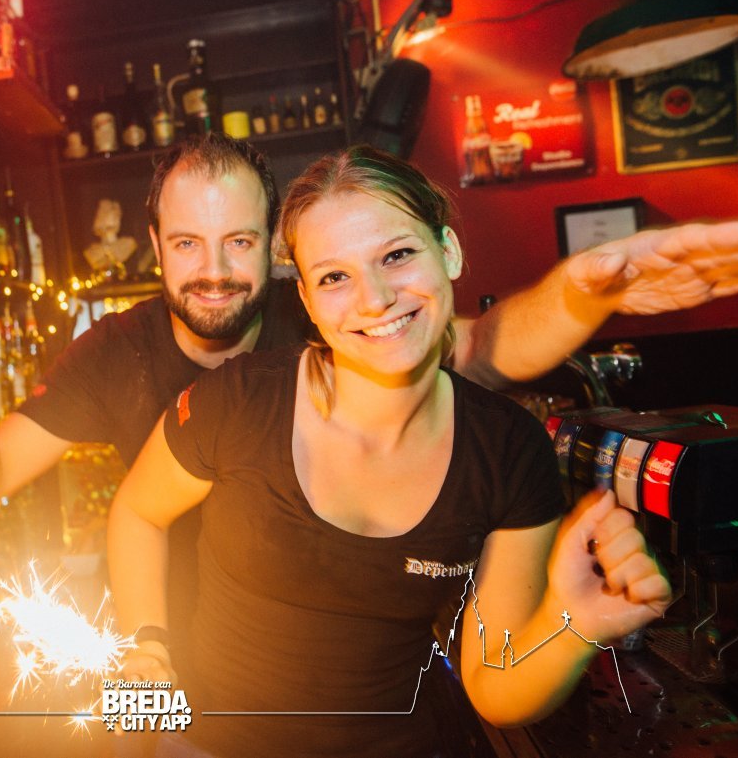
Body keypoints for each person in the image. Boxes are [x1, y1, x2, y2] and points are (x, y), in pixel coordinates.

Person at [0, 133, 738, 517]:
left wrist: (590, 291)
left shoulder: (325, 308)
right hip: (176, 660)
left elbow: (481, 347)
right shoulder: (112, 353)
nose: (214, 269)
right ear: (155, 248)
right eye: (188, 243)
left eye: (239, 241)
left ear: (275, 247)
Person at [107, 146, 672, 758]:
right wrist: (146, 652)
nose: (374, 298)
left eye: (397, 255)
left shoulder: (508, 450)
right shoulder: (235, 401)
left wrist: (578, 624)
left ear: (448, 251)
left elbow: (496, 692)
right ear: (307, 302)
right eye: (334, 277)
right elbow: (137, 512)